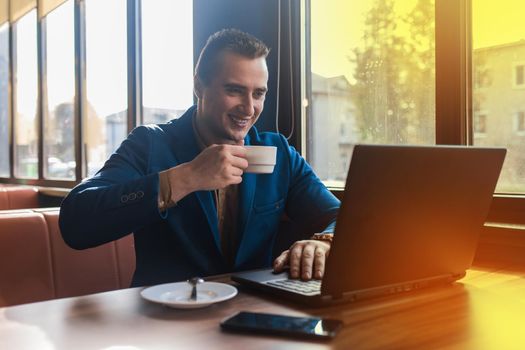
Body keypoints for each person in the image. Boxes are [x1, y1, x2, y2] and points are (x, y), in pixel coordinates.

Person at [59, 28, 340, 287]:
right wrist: (186, 177)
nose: (249, 107)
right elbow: (76, 222)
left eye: (258, 93)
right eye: (234, 90)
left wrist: (325, 241)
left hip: (253, 314)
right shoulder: (150, 144)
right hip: (164, 321)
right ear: (199, 87)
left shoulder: (278, 152)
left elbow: (339, 216)